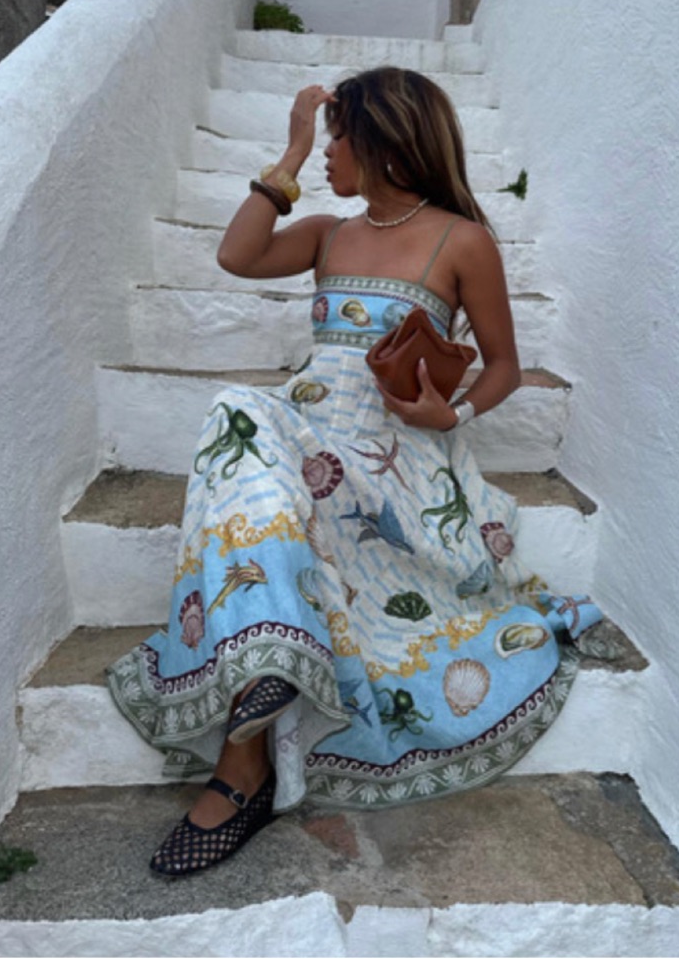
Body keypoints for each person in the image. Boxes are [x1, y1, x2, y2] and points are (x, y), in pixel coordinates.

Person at [107, 68, 602, 877]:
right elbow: (237, 253)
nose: (330, 153)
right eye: (328, 139)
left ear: (386, 142)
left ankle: (244, 763)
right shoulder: (327, 234)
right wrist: (291, 152)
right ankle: (266, 688)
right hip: (307, 440)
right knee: (237, 414)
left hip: (394, 460)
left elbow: (505, 366)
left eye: (339, 137)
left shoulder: (461, 240)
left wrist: (452, 416)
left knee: (261, 469)